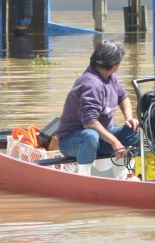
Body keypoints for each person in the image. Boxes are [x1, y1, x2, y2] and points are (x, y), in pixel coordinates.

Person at [56, 40, 139, 175]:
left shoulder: (111, 77)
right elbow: (90, 123)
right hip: (73, 141)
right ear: (115, 64)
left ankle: (124, 175)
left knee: (133, 131)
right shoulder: (92, 85)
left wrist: (129, 118)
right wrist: (115, 142)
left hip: (102, 138)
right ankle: (84, 177)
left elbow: (123, 97)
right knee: (90, 136)